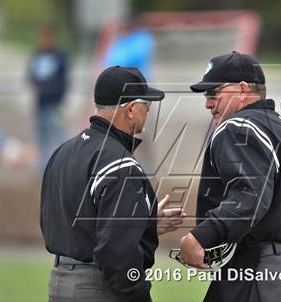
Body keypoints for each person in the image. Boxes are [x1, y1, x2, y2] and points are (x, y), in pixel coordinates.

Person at [179, 51, 281, 302]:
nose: (208, 103)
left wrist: (202, 236)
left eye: (214, 93)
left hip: (262, 267)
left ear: (242, 90)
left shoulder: (237, 127)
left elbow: (250, 195)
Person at [40, 66, 184, 302]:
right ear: (130, 110)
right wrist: (139, 294)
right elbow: (116, 254)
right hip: (98, 288)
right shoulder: (120, 164)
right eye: (146, 106)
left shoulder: (62, 153)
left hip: (59, 283)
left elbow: (72, 225)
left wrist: (143, 223)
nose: (148, 113)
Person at [28, 25, 69, 173]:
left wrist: (57, 96)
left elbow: (63, 80)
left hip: (55, 103)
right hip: (41, 103)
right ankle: (43, 166)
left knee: (57, 134)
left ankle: (60, 165)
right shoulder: (37, 55)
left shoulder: (60, 56)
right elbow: (31, 75)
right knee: (42, 135)